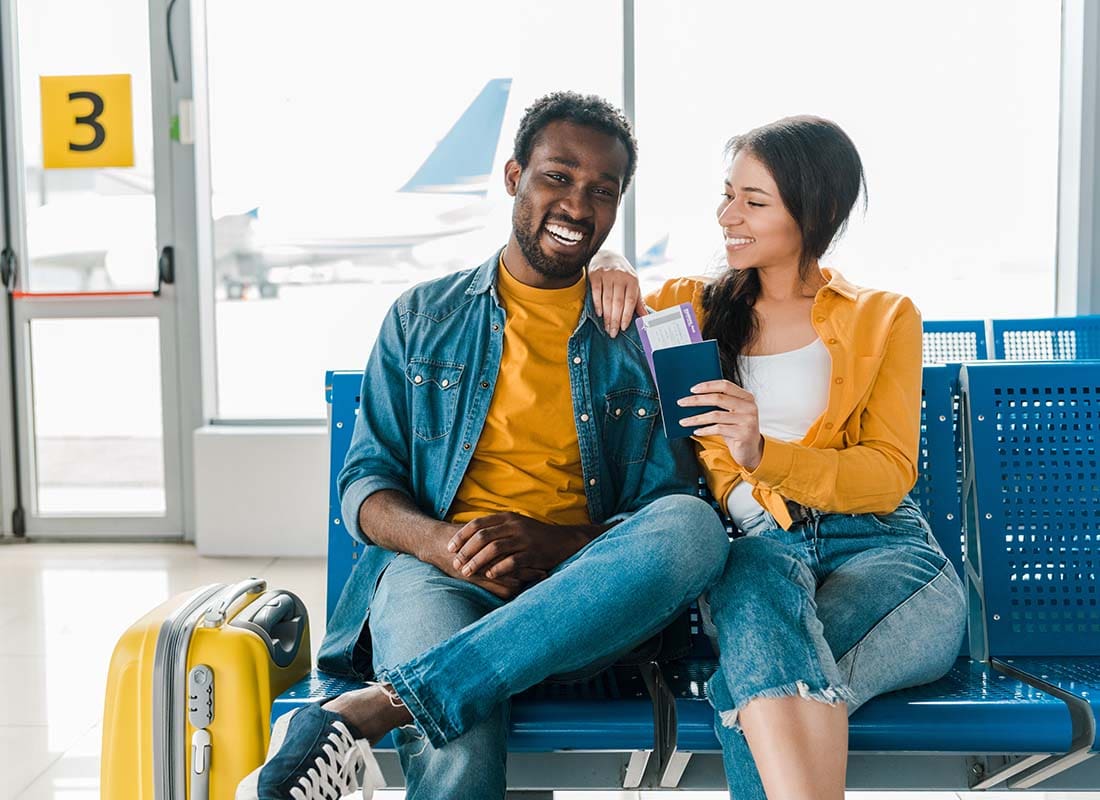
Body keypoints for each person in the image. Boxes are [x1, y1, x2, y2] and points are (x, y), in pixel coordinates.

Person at [237, 92, 731, 800]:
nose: (577, 206)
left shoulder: (634, 335)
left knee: (695, 527)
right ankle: (430, 689)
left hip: (582, 592)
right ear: (513, 178)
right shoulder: (422, 317)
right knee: (458, 731)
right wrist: (441, 544)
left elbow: (668, 506)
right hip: (438, 575)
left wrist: (554, 545)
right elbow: (365, 484)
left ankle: (376, 707)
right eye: (557, 177)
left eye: (603, 191)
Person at [588, 115, 967, 800]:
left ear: (815, 211)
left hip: (885, 555)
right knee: (754, 581)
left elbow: (888, 475)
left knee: (746, 686)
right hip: (763, 551)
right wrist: (609, 262)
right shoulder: (689, 310)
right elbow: (614, 293)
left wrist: (764, 453)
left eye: (752, 202)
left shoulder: (883, 316)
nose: (726, 215)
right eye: (727, 194)